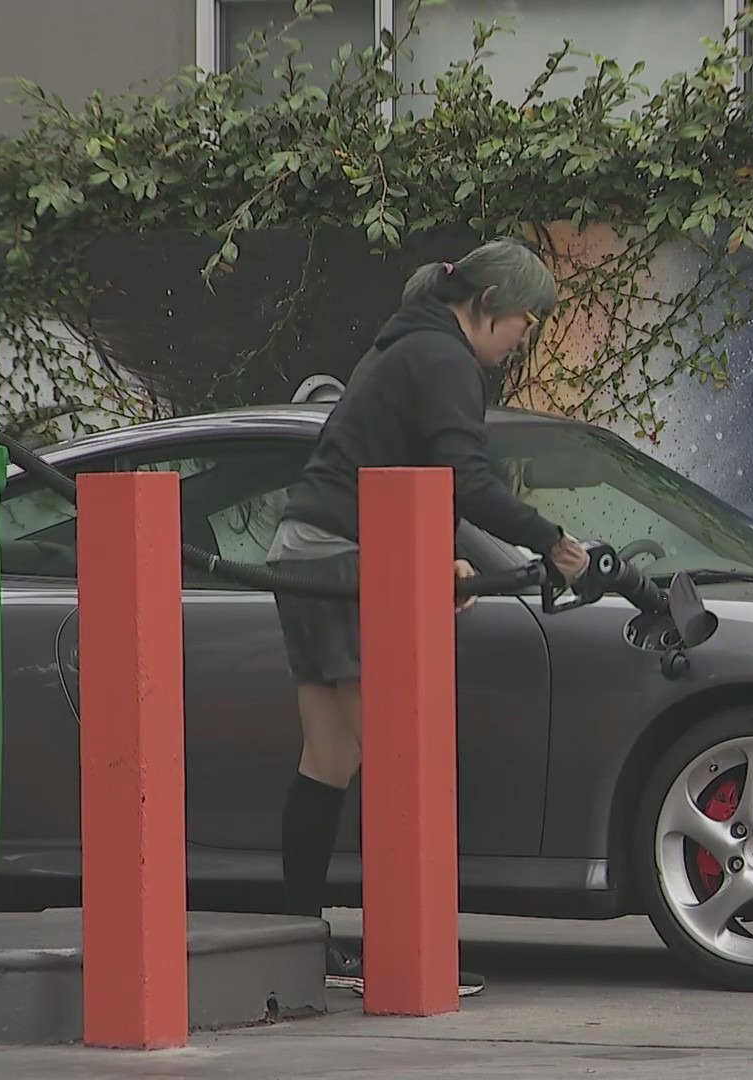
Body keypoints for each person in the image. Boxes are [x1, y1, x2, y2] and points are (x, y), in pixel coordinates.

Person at [265, 237, 591, 997]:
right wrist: (551, 541)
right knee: (392, 756)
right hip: (343, 562)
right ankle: (403, 957)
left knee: (329, 756)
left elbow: (400, 467)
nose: (522, 341)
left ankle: (302, 939)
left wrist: (432, 562)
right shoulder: (445, 359)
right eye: (522, 323)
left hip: (309, 551)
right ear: (485, 307)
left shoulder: (403, 348)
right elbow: (464, 477)